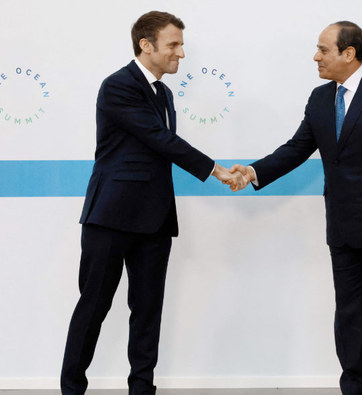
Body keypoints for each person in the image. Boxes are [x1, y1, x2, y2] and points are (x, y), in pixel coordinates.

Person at [230, 21, 362, 395]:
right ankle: (353, 387)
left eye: (323, 49)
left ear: (348, 53)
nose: (316, 57)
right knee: (348, 316)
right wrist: (254, 171)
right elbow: (296, 148)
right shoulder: (321, 98)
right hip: (341, 225)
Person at [60, 11, 240, 395]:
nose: (181, 53)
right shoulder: (118, 86)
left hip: (155, 219)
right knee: (93, 307)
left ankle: (142, 389)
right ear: (147, 45)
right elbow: (160, 139)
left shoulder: (164, 92)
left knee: (147, 313)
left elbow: (160, 146)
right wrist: (215, 170)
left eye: (180, 44)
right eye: (173, 44)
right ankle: (72, 388)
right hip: (110, 216)